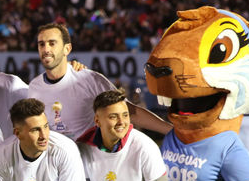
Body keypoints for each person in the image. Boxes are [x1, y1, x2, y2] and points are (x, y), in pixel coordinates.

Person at [28, 23, 171, 139]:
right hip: (55, 170)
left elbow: (130, 111)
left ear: (67, 49)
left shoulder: (89, 79)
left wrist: (171, 131)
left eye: (52, 43)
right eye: (41, 44)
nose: (46, 49)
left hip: (90, 168)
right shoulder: (34, 87)